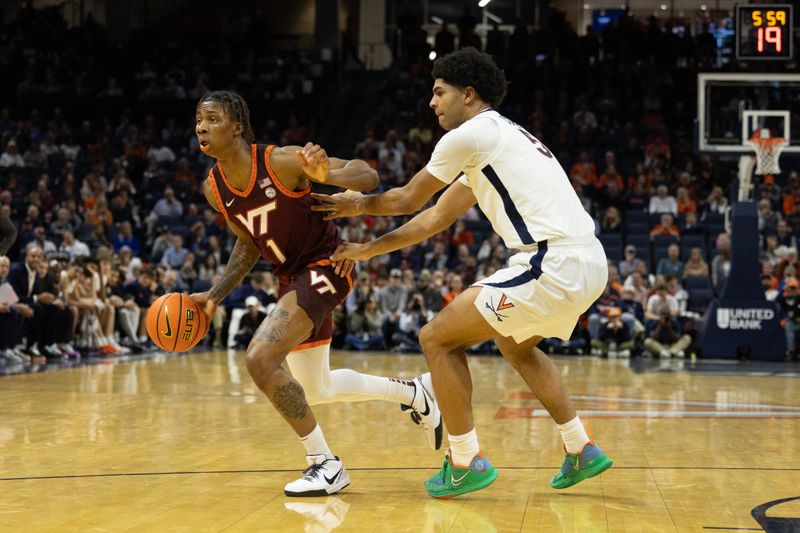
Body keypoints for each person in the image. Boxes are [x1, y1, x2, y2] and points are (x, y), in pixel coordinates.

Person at [315, 48, 613, 499]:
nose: (432, 103)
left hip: (552, 262)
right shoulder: (498, 139)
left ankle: (464, 460)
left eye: (439, 92)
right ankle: (580, 447)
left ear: (468, 94)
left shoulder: (471, 135)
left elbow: (404, 200)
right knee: (516, 347)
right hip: (586, 261)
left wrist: (357, 203)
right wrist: (368, 251)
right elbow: (433, 219)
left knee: (437, 338)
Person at [188, 90, 442, 497]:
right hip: (290, 278)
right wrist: (215, 294)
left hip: (327, 265)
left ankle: (324, 463)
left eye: (213, 119)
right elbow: (249, 243)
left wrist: (327, 175)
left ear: (236, 126)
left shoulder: (280, 161)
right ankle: (415, 393)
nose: (202, 126)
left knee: (260, 357)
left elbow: (368, 176)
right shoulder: (214, 189)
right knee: (317, 390)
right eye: (199, 120)